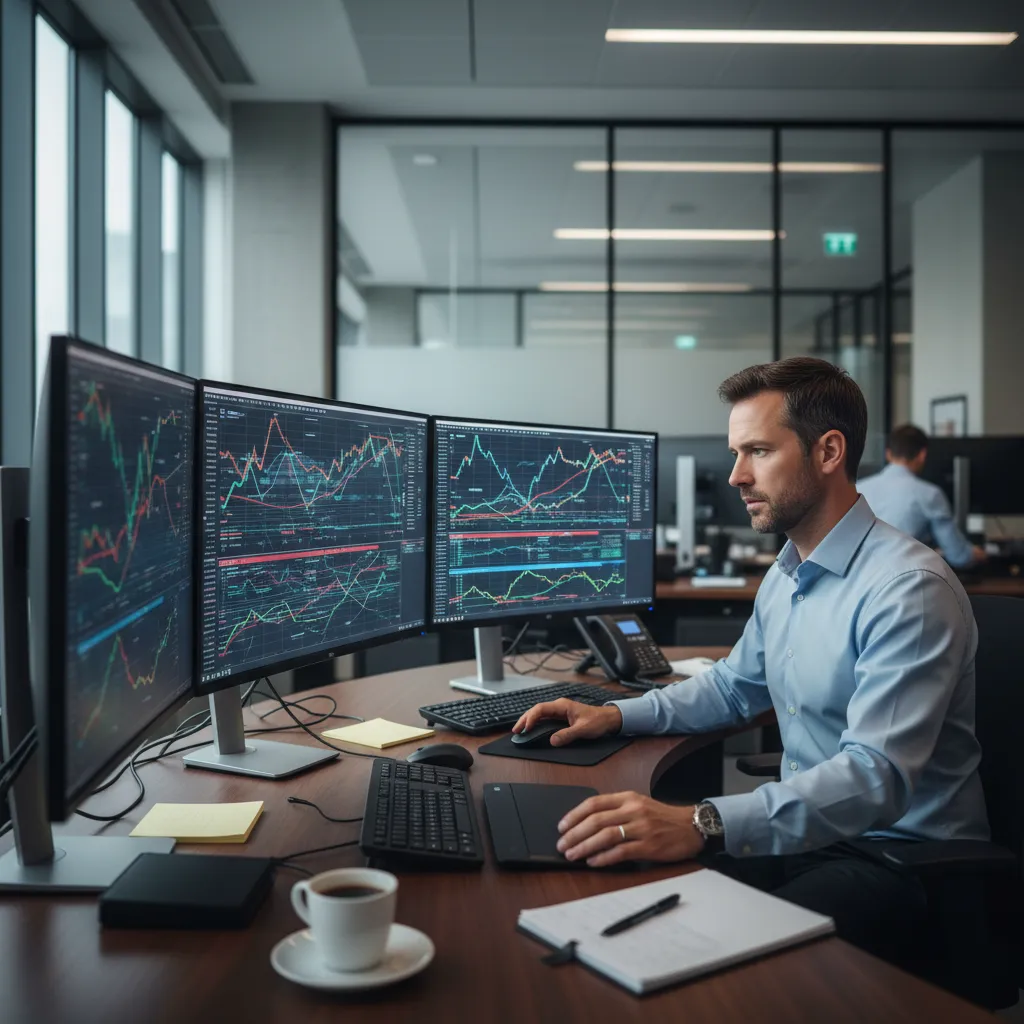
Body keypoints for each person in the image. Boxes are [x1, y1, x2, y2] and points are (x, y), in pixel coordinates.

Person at [513, 357, 988, 970]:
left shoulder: (908, 590)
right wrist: (617, 715)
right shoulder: (787, 572)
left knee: (714, 970)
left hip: (898, 860)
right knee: (619, 896)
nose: (737, 475)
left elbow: (876, 777)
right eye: (736, 453)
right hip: (809, 836)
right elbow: (733, 689)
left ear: (828, 452)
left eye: (758, 451)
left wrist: (702, 820)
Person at [857, 423, 986, 569]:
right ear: (922, 455)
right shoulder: (930, 494)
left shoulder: (858, 488)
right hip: (905, 577)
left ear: (888, 454)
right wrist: (978, 554)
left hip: (862, 577)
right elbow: (958, 556)